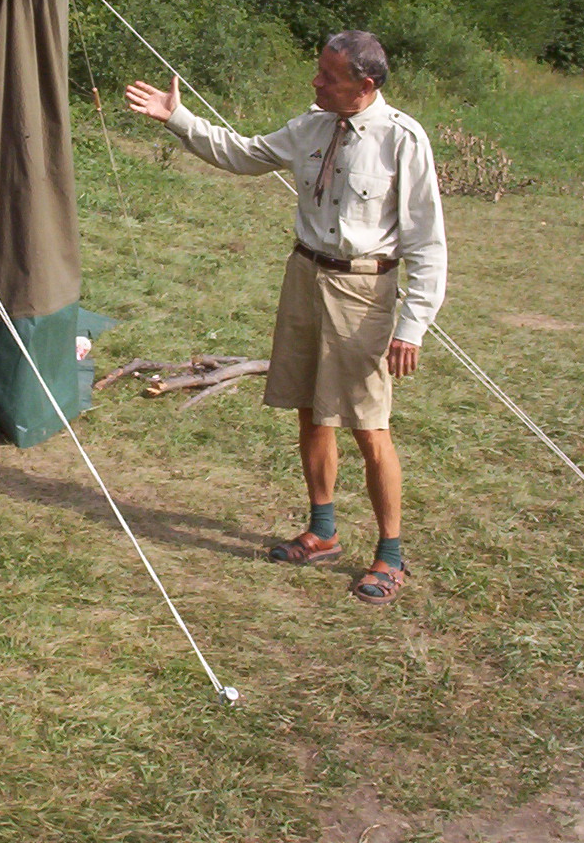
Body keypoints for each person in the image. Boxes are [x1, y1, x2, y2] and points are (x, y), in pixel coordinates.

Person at [125, 31, 446, 604]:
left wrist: (413, 323)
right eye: (318, 71)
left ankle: (390, 555)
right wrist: (178, 119)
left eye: (329, 77)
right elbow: (244, 154)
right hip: (305, 278)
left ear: (365, 85)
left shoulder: (402, 139)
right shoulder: (312, 125)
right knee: (310, 410)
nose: (316, 83)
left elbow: (427, 241)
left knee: (369, 427)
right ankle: (323, 532)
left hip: (364, 292)